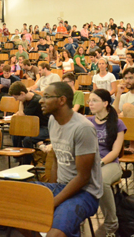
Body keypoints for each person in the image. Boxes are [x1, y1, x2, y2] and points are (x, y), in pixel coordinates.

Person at [36, 82, 102, 237]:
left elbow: (83, 178)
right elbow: (57, 159)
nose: (41, 100)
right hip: (62, 186)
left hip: (85, 193)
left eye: (46, 96)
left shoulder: (82, 128)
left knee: (55, 234)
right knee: (15, 204)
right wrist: (50, 190)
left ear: (61, 100)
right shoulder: (53, 120)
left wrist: (53, 202)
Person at [87, 89, 126, 236]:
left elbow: (115, 152)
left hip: (110, 164)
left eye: (94, 100)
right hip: (89, 162)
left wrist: (100, 163)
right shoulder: (88, 121)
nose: (90, 103)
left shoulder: (117, 123)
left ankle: (111, 225)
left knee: (101, 181)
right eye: (89, 100)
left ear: (105, 103)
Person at [9, 81, 49, 163]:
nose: (17, 100)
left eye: (17, 98)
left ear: (22, 94)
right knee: (16, 134)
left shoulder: (35, 100)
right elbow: (20, 114)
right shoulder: (26, 99)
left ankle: (28, 163)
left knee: (28, 139)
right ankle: (19, 157)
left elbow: (21, 115)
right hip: (34, 127)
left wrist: (21, 102)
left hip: (45, 128)